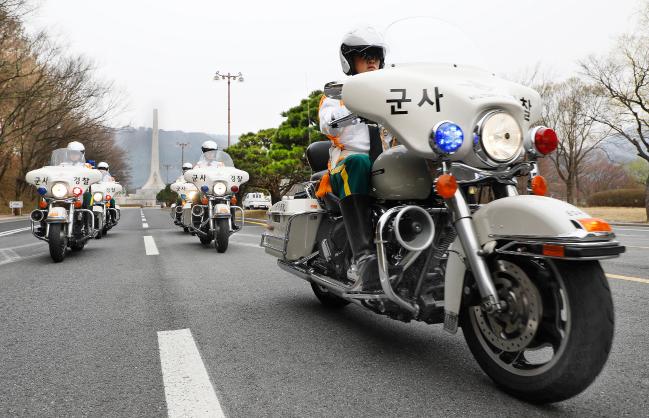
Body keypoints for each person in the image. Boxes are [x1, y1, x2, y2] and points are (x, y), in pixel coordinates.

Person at [317, 26, 387, 291]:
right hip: (347, 161)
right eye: (364, 55)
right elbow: (328, 124)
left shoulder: (391, 94)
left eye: (376, 55)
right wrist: (352, 111)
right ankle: (364, 256)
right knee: (359, 163)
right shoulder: (340, 94)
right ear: (349, 60)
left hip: (386, 164)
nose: (372, 60)